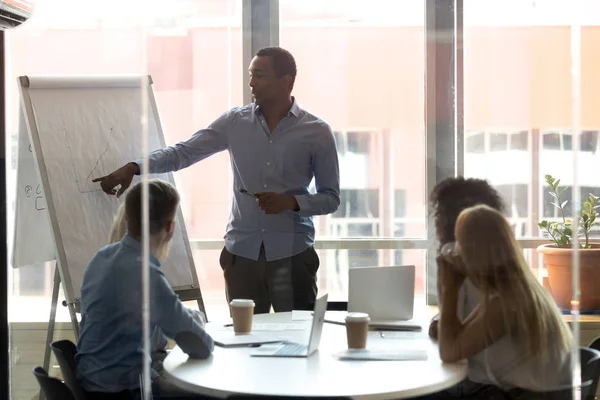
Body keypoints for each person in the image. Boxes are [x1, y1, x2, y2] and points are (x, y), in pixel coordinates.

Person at [93, 47, 340, 314]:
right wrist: (135, 167)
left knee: (297, 341)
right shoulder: (235, 122)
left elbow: (331, 198)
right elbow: (183, 152)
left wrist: (291, 202)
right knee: (245, 345)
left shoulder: (317, 132)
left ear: (286, 80)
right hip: (241, 256)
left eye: (259, 75)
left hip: (293, 257)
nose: (251, 83)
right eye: (250, 75)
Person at [76, 179, 214, 400]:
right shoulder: (146, 274)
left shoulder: (101, 258)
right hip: (123, 393)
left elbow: (122, 334)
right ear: (170, 227)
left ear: (128, 219)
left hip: (92, 385)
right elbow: (200, 347)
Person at [425, 205, 572, 398]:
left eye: (460, 243)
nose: (455, 251)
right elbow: (456, 337)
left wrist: (450, 287)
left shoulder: (508, 301)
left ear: (475, 253)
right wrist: (449, 286)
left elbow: (450, 352)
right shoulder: (511, 289)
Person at [427, 177, 506, 340]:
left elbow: (451, 330)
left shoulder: (452, 254)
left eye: (437, 216)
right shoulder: (503, 254)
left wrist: (440, 325)